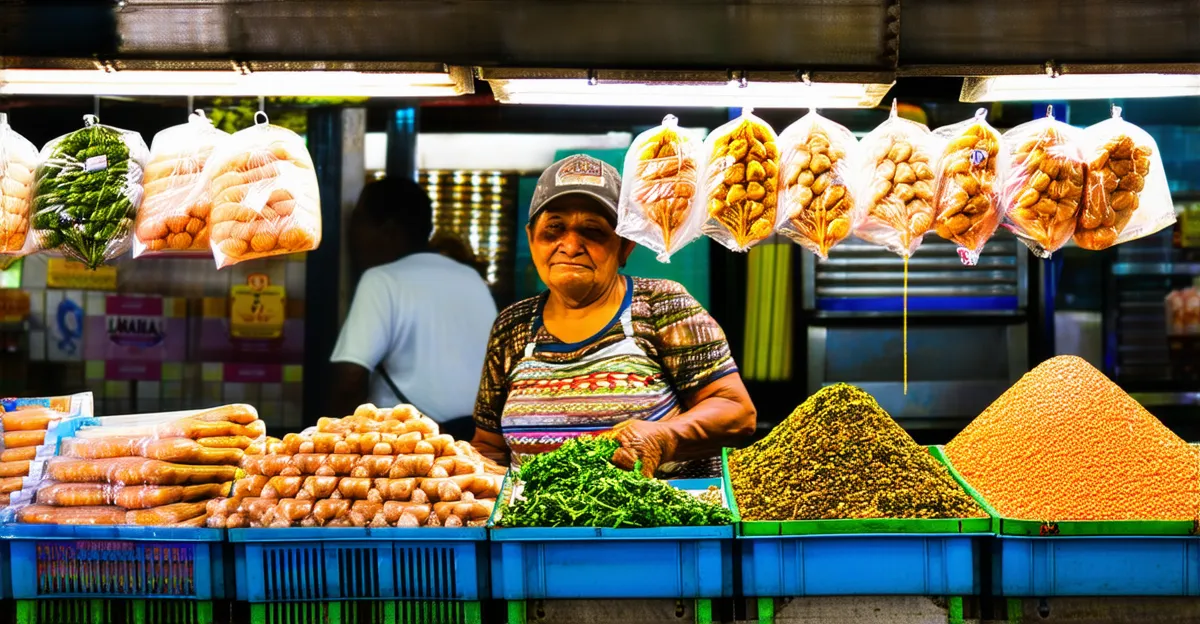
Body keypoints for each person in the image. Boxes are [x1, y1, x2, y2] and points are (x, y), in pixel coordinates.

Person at [470, 155, 756, 477]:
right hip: (536, 525)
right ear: (531, 238)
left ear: (625, 246)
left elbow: (736, 413)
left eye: (592, 230)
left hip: (659, 523)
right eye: (554, 229)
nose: (570, 245)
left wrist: (665, 437)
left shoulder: (661, 305)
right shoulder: (513, 327)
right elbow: (489, 448)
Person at [330, 177, 497, 442]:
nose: (352, 235)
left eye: (358, 222)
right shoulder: (470, 278)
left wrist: (332, 443)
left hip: (411, 448)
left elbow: (350, 377)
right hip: (475, 442)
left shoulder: (381, 279)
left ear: (388, 230)